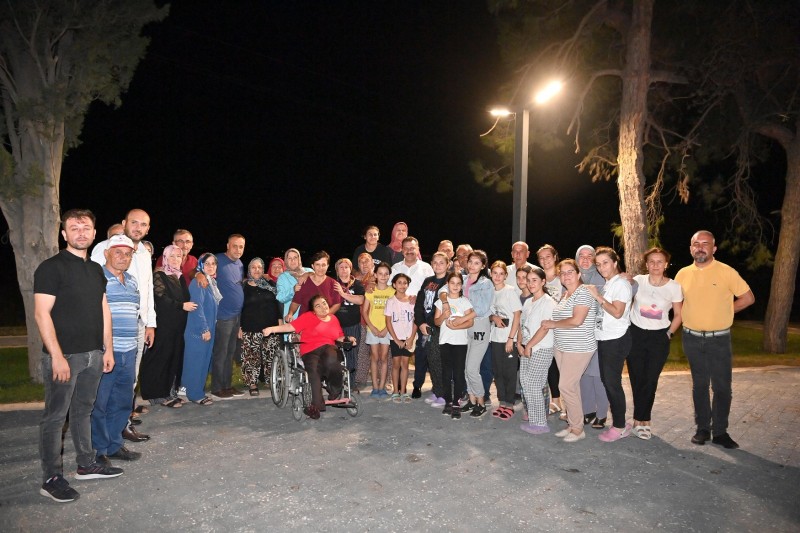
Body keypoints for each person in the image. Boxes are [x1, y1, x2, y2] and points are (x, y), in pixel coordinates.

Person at [35, 209, 122, 503]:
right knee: (55, 417)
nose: (80, 232)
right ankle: (51, 478)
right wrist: (57, 356)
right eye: (74, 228)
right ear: (64, 234)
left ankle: (86, 464)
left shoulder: (96, 269)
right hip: (65, 356)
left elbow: (103, 309)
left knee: (83, 410)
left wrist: (107, 348)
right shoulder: (51, 268)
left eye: (86, 228)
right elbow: (42, 313)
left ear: (94, 234)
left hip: (93, 354)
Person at [675, 230, 754, 449]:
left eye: (705, 244)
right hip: (691, 338)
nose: (700, 247)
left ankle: (720, 432)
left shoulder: (726, 272)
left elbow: (748, 298)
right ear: (691, 248)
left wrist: (726, 311)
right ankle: (702, 429)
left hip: (719, 339)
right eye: (696, 244)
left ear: (714, 248)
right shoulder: (682, 274)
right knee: (700, 385)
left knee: (722, 387)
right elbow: (674, 301)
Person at [91, 209, 155, 442]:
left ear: (148, 229)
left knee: (129, 381)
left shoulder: (144, 254)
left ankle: (121, 427)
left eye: (143, 224)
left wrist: (150, 323)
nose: (138, 228)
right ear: (124, 223)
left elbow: (147, 290)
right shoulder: (103, 249)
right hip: (109, 328)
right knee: (105, 385)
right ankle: (102, 439)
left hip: (136, 326)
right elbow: (94, 290)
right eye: (134, 222)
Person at [263, 295, 356, 419]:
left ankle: (334, 390)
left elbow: (339, 337)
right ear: (313, 311)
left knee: (333, 359)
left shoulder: (334, 319)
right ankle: (315, 406)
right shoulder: (308, 317)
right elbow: (290, 327)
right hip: (310, 351)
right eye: (318, 306)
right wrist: (272, 329)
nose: (323, 307)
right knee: (312, 371)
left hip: (329, 348)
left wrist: (348, 339)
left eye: (324, 303)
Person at [92, 235, 142, 465]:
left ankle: (114, 445)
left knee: (122, 402)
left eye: (128, 253)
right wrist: (104, 349)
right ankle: (98, 450)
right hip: (106, 352)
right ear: (107, 254)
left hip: (129, 351)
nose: (123, 257)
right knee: (100, 404)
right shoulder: (97, 279)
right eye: (118, 252)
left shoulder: (131, 281)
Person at [628, 247, 683, 440]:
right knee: (636, 378)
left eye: (659, 261)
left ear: (666, 264)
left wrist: (668, 334)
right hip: (636, 335)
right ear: (646, 264)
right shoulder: (638, 281)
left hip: (659, 337)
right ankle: (639, 421)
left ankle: (644, 420)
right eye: (651, 261)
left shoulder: (674, 287)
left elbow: (678, 315)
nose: (655, 265)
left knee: (650, 379)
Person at [541, 259, 598, 443]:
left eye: (570, 272)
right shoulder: (566, 294)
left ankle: (578, 429)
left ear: (578, 274)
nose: (566, 276)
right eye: (563, 273)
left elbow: (577, 320)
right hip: (562, 347)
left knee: (565, 386)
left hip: (579, 347)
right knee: (571, 387)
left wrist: (553, 324)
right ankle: (573, 424)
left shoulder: (583, 293)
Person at [585, 247, 633, 442]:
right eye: (598, 264)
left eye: (605, 262)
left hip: (616, 339)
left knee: (612, 384)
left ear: (615, 262)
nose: (602, 267)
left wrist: (597, 296)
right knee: (608, 381)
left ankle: (620, 426)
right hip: (605, 338)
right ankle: (620, 423)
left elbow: (617, 312)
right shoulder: (609, 284)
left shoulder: (620, 284)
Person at [140, 245, 195, 407]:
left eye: (179, 256)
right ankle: (155, 395)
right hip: (163, 324)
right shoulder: (159, 275)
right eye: (172, 256)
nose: (176, 259)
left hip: (178, 325)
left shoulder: (179, 276)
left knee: (173, 358)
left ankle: (169, 392)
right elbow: (160, 298)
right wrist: (181, 306)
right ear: (165, 258)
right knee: (159, 358)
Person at [518, 267, 557, 434]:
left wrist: (529, 346)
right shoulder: (528, 302)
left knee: (534, 385)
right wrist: (519, 344)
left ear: (543, 282)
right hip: (526, 348)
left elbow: (544, 328)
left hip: (541, 348)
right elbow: (522, 325)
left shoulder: (548, 302)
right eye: (528, 280)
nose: (531, 283)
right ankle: (534, 420)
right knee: (526, 383)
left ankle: (540, 423)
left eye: (535, 280)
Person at [575, 245, 610, 429]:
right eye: (582, 256)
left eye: (590, 256)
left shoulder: (602, 277)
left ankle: (602, 413)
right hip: (578, 334)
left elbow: (632, 287)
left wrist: (629, 279)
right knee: (583, 374)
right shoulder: (573, 277)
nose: (585, 259)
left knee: (597, 374)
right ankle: (587, 410)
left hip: (598, 333)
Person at [208, 234, 246, 399]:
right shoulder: (217, 260)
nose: (238, 249)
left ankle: (227, 386)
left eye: (241, 246)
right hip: (223, 315)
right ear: (228, 245)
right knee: (221, 353)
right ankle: (217, 388)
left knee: (230, 353)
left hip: (236, 316)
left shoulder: (240, 264)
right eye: (235, 246)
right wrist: (199, 275)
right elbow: (200, 269)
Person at [182, 253, 221, 406]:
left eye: (213, 263)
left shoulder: (211, 282)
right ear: (201, 266)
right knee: (196, 363)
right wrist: (204, 329)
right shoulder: (199, 282)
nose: (211, 266)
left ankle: (193, 390)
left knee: (203, 361)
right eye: (207, 264)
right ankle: (195, 394)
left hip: (208, 328)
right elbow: (196, 308)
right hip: (198, 330)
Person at [434, 272, 475, 419]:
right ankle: (448, 402)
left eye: (458, 283)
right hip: (445, 341)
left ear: (462, 285)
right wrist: (443, 316)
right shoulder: (440, 302)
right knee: (446, 373)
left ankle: (457, 402)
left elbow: (470, 322)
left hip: (460, 342)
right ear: (447, 284)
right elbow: (436, 322)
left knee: (458, 373)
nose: (455, 286)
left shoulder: (465, 302)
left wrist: (456, 326)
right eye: (452, 283)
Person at [240, 257, 282, 396]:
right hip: (250, 326)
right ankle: (252, 383)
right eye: (253, 267)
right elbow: (239, 308)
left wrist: (280, 321)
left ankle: (271, 380)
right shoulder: (243, 286)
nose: (256, 270)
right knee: (251, 357)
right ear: (249, 270)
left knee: (271, 356)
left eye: (259, 267)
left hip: (271, 327)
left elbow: (276, 303)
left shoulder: (270, 284)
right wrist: (239, 326)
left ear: (263, 269)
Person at [413, 252, 449, 404]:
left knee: (440, 361)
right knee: (425, 358)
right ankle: (428, 387)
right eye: (435, 262)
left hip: (441, 327)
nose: (438, 265)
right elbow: (419, 304)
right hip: (424, 327)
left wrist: (433, 324)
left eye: (441, 262)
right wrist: (421, 323)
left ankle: (443, 392)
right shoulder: (428, 281)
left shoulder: (450, 281)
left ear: (447, 265)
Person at [488, 261, 522, 420]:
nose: (497, 276)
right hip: (495, 338)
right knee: (498, 372)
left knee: (509, 372)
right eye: (495, 273)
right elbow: (488, 313)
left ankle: (509, 404)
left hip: (509, 338)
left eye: (501, 274)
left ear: (506, 276)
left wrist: (511, 339)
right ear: (491, 274)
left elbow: (517, 315)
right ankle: (502, 402)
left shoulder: (510, 291)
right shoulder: (490, 291)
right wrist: (493, 317)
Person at [537, 244, 564, 416]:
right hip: (543, 328)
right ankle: (556, 400)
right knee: (550, 365)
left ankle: (568, 403)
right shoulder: (538, 277)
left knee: (563, 366)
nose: (545, 260)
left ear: (555, 257)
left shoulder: (563, 277)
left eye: (548, 256)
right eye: (541, 258)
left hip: (560, 327)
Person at [363, 262, 395, 398]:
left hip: (387, 329)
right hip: (373, 329)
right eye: (380, 273)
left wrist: (387, 329)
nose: (383, 276)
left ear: (389, 276)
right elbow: (365, 311)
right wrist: (372, 327)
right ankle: (375, 387)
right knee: (374, 357)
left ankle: (382, 387)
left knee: (384, 357)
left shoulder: (393, 292)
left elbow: (394, 313)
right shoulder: (370, 291)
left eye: (386, 274)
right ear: (375, 275)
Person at [333, 258, 365, 389]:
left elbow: (360, 300)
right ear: (337, 270)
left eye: (346, 267)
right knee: (336, 355)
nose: (344, 269)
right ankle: (338, 383)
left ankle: (350, 385)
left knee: (352, 353)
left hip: (353, 324)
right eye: (341, 267)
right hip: (336, 325)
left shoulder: (356, 284)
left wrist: (343, 294)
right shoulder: (333, 283)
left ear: (350, 269)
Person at [384, 273, 417, 402]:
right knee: (396, 364)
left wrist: (411, 338)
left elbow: (416, 321)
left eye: (405, 283)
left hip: (408, 338)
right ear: (394, 285)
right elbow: (388, 322)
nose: (402, 285)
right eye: (399, 282)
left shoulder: (412, 301)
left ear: (408, 285)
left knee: (405, 364)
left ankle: (403, 391)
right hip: (395, 338)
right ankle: (395, 392)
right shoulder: (391, 301)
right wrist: (396, 339)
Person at [287, 251, 342, 318]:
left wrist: (323, 316)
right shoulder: (304, 281)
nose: (320, 268)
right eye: (317, 264)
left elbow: (337, 304)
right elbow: (296, 302)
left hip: (324, 322)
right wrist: (290, 314)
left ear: (327, 266)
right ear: (313, 266)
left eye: (323, 265)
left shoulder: (333, 284)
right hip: (305, 320)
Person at [390, 237, 434, 302]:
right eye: (406, 248)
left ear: (418, 250)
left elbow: (432, 290)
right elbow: (388, 287)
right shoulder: (395, 268)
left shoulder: (426, 267)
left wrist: (419, 298)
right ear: (402, 250)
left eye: (412, 248)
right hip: (397, 306)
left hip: (419, 306)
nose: (409, 251)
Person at [276, 248, 312, 320]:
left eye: (295, 257)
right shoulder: (282, 277)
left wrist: (307, 274)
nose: (292, 260)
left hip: (311, 315)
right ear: (286, 260)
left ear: (299, 259)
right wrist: (292, 290)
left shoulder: (309, 271)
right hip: (292, 318)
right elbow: (280, 298)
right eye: (289, 258)